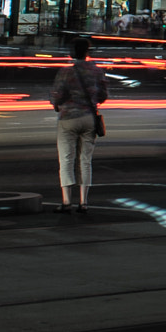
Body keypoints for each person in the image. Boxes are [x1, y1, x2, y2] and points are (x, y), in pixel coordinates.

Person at [50, 39, 108, 214]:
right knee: (85, 160)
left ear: (72, 52)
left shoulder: (66, 72)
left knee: (66, 159)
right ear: (87, 51)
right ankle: (84, 201)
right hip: (89, 118)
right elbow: (103, 96)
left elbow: (57, 96)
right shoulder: (97, 71)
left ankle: (67, 201)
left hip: (68, 118)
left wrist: (57, 104)